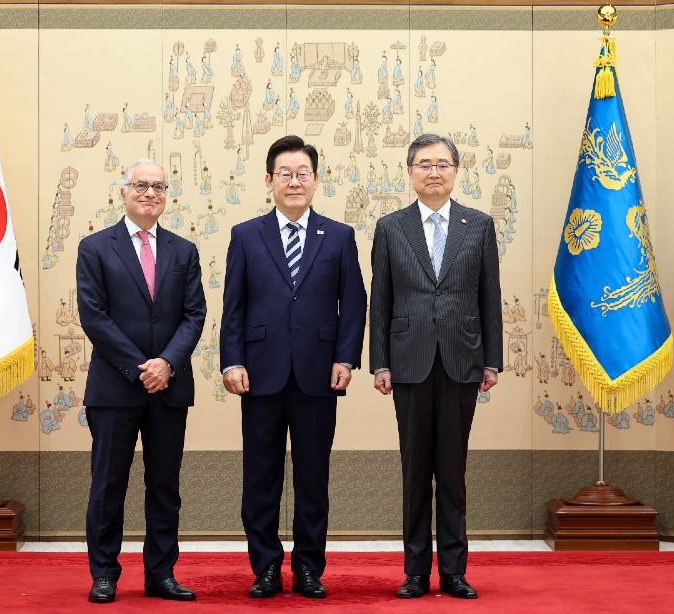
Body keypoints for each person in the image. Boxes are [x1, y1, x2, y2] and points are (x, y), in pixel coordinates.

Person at [220, 135, 366, 599]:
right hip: (259, 375)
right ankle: (264, 568)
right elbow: (233, 308)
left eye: (303, 173)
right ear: (268, 181)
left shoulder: (340, 237)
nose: (294, 181)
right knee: (260, 478)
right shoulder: (245, 236)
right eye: (285, 173)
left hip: (318, 375)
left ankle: (308, 568)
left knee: (313, 477)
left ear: (316, 180)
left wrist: (346, 357)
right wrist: (231, 361)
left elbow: (354, 304)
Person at [369, 133, 503, 600]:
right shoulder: (390, 228)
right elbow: (380, 302)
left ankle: (454, 571)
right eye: (424, 164)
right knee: (414, 471)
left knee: (453, 470)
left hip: (462, 361)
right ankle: (413, 573)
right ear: (409, 173)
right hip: (408, 363)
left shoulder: (479, 225)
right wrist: (380, 363)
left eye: (442, 164)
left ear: (455, 171)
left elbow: (490, 298)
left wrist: (493, 360)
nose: (433, 172)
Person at [77, 158, 206, 604]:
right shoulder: (95, 248)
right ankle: (104, 574)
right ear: (124, 192)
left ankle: (160, 574)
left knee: (165, 486)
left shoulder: (183, 251)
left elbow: (195, 315)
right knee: (109, 483)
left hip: (169, 387)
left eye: (159, 186)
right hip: (115, 388)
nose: (150, 193)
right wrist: (140, 367)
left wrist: (166, 364)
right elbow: (94, 316)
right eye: (141, 185)